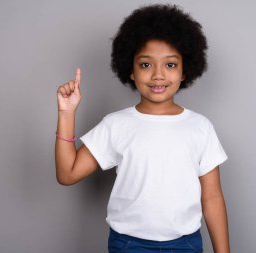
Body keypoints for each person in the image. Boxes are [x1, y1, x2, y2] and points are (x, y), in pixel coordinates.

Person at [55, 4, 230, 253]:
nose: (158, 75)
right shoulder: (116, 125)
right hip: (128, 244)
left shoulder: (200, 127)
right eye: (146, 65)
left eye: (170, 65)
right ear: (131, 70)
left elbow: (212, 197)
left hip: (185, 244)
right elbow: (67, 174)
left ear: (184, 71)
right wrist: (66, 113)